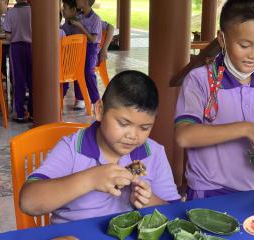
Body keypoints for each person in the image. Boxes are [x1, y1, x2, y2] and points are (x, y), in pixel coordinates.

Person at [20, 70, 180, 223]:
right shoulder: (72, 149)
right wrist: (90, 179)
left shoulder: (154, 153)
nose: (133, 136)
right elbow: (28, 202)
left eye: (144, 128)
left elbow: (175, 213)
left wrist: (148, 201)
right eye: (124, 123)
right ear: (100, 110)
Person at [174, 0, 254, 201]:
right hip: (208, 192)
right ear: (222, 39)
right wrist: (247, 128)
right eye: (244, 45)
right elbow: (184, 136)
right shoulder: (199, 80)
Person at [63, 0, 101, 110]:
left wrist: (80, 27)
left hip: (91, 48)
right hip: (78, 48)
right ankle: (80, 98)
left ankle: (96, 101)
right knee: (75, 69)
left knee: (88, 71)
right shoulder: (78, 16)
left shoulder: (95, 19)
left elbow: (93, 39)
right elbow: (67, 28)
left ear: (85, 2)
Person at [3, 0, 32, 123]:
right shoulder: (33, 11)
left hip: (16, 48)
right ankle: (34, 113)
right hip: (32, 47)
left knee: (18, 80)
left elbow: (8, 36)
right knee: (32, 80)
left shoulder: (10, 13)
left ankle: (19, 113)